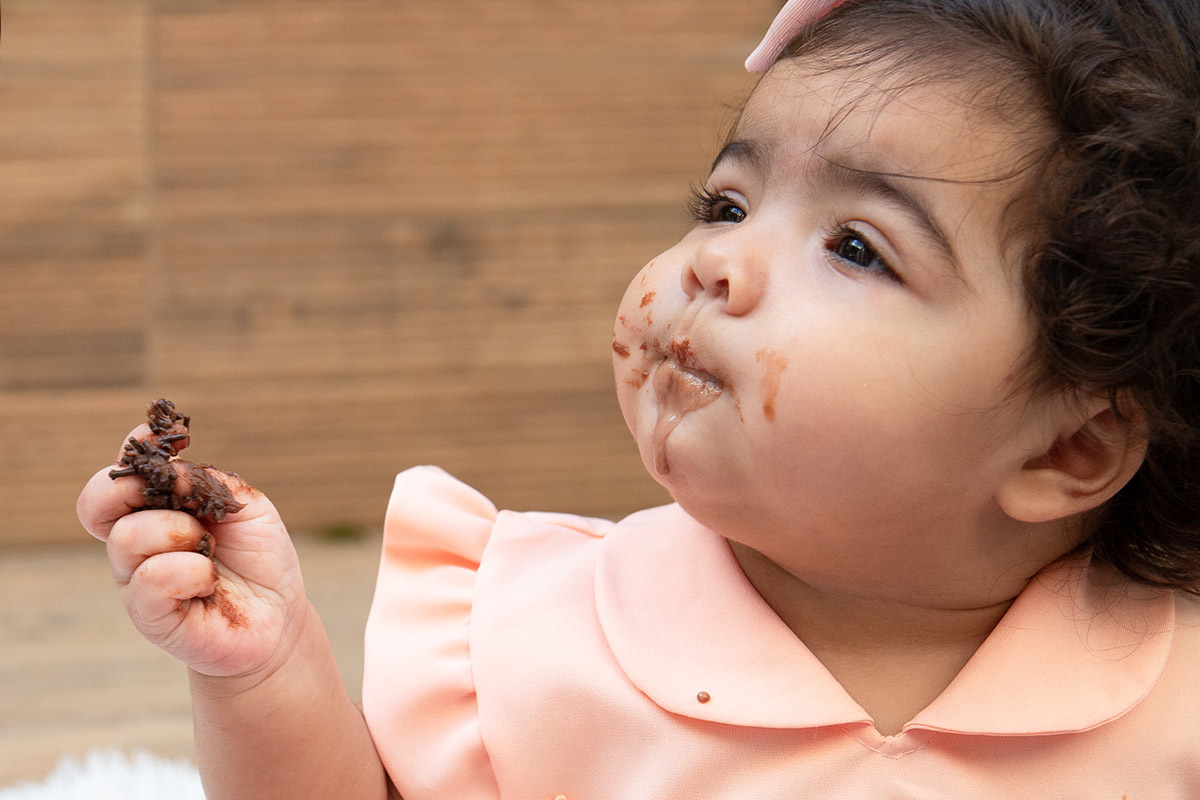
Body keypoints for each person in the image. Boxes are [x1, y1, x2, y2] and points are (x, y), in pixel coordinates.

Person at [76, 0, 1200, 796]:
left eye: (856, 246)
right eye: (726, 202)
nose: (719, 263)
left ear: (1074, 446)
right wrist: (266, 677)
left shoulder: (1172, 698)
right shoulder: (519, 641)